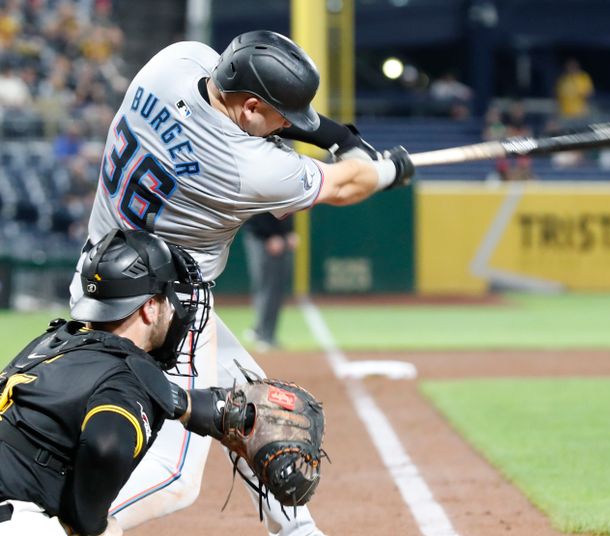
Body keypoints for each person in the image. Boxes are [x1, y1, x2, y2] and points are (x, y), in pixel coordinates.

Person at [70, 30, 414, 536]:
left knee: (256, 412)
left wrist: (341, 138)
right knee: (175, 476)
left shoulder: (171, 64)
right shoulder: (246, 169)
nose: (286, 128)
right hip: (162, 315)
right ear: (250, 106)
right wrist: (385, 171)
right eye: (279, 117)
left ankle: (298, 530)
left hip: (99, 277)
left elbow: (266, 113)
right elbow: (346, 185)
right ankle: (61, 523)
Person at [0, 229, 213, 535]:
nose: (174, 310)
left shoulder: (55, 342)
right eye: (169, 298)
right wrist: (92, 524)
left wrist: (204, 409)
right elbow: (106, 446)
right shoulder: (128, 373)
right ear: (150, 307)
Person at [243, 212, 296, 351]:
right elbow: (260, 208)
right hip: (263, 238)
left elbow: (288, 206)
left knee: (271, 288)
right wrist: (270, 234)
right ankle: (265, 336)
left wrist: (289, 231)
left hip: (276, 237)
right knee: (269, 288)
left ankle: (260, 331)